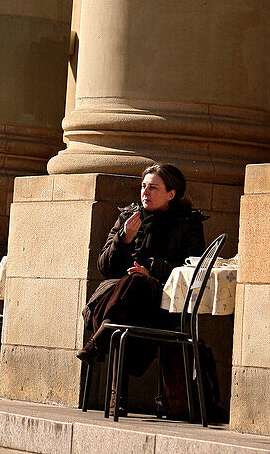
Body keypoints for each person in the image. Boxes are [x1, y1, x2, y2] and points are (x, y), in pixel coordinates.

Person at [78, 163, 207, 413]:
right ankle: (106, 334)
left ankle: (102, 343)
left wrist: (152, 270)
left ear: (171, 193)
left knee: (135, 290)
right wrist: (123, 239)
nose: (145, 192)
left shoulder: (188, 222)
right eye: (143, 186)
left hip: (161, 302)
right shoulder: (129, 217)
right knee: (130, 291)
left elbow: (193, 267)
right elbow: (105, 266)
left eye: (153, 188)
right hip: (118, 297)